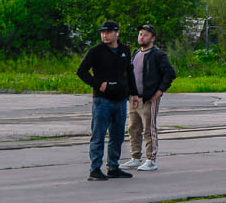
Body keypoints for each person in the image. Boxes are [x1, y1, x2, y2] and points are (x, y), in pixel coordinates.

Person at [75, 21, 136, 181]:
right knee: (99, 135)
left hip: (120, 99)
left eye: (108, 32)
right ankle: (95, 169)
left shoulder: (124, 50)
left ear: (117, 33)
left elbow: (129, 73)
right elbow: (81, 71)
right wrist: (98, 84)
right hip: (102, 100)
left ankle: (113, 167)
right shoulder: (96, 51)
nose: (105, 35)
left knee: (117, 136)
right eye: (102, 32)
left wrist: (133, 93)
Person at [121, 24, 175, 172]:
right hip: (134, 98)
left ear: (152, 38)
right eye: (140, 34)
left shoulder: (157, 55)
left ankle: (151, 160)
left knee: (149, 129)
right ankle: (135, 157)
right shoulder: (136, 53)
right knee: (133, 128)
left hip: (149, 98)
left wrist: (159, 92)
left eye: (145, 35)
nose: (142, 37)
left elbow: (170, 73)